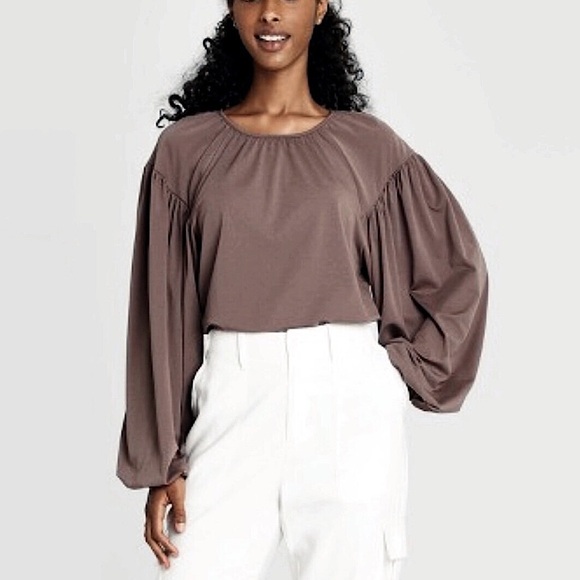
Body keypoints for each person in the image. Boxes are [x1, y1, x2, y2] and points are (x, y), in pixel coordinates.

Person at [116, 1, 489, 579]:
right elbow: (160, 315)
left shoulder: (369, 148)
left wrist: (392, 372)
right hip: (233, 398)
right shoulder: (185, 152)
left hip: (349, 404)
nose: (270, 12)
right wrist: (161, 458)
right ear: (232, 7)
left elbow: (458, 270)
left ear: (319, 7)